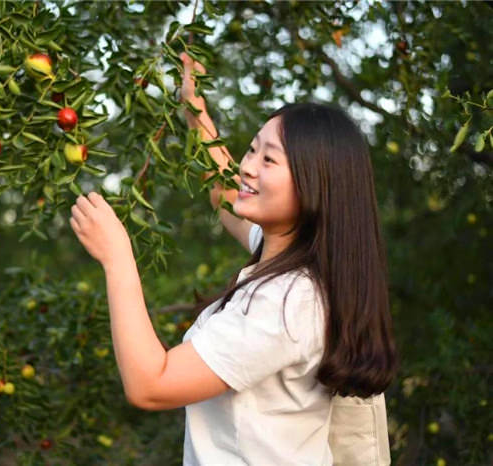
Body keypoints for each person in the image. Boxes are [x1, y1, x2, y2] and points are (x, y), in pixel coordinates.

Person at [68, 52, 398, 465]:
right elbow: (225, 194)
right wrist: (195, 109)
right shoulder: (298, 264)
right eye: (251, 149)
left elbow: (150, 385)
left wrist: (117, 257)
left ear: (315, 184)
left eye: (269, 159)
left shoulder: (285, 303)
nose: (246, 167)